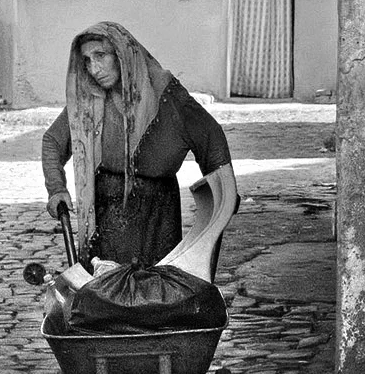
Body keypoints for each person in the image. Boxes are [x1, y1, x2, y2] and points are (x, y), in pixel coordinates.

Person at [41, 22, 235, 267]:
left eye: (100, 56)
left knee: (155, 291)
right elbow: (53, 140)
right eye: (87, 61)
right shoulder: (90, 101)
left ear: (122, 54)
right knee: (106, 289)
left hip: (158, 215)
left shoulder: (167, 96)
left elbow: (211, 138)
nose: (94, 68)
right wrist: (56, 189)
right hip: (107, 215)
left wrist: (223, 193)